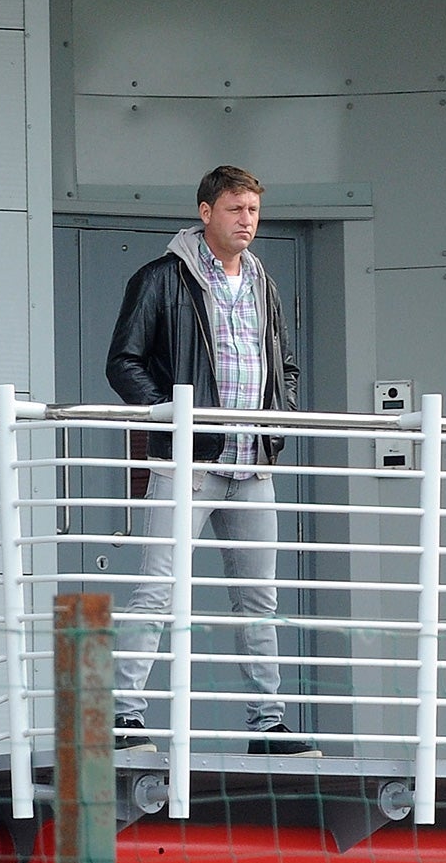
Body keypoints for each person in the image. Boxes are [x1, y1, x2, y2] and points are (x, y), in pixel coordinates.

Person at [103, 165, 315, 756]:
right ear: (205, 212)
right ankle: (124, 718)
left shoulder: (262, 281)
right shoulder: (162, 278)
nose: (247, 221)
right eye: (235, 209)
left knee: (260, 598)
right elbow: (124, 362)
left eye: (253, 210)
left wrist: (279, 417)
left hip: (253, 465)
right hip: (188, 463)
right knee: (157, 590)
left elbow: (285, 365)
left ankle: (268, 724)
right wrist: (171, 414)